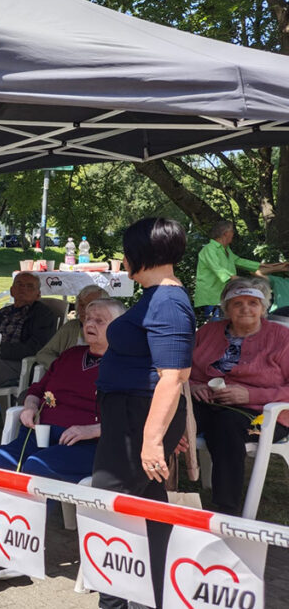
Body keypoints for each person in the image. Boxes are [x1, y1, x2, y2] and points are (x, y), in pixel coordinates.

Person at [0, 298, 126, 579]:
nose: (90, 324)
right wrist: (31, 405)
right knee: (0, 459)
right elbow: (37, 387)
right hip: (43, 432)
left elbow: (134, 417)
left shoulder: (125, 366)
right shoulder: (71, 355)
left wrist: (92, 430)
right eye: (88, 319)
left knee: (37, 466)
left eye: (100, 320)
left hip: (90, 443)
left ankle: (19, 555)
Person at [92, 217, 195, 609]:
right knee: (147, 509)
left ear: (139, 253)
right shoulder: (157, 296)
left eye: (126, 250)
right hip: (132, 415)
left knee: (111, 507)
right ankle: (150, 595)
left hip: (138, 419)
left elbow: (174, 376)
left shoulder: (168, 301)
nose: (123, 258)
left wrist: (153, 439)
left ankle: (117, 601)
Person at [189, 276, 289, 515]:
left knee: (227, 426)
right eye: (237, 303)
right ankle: (155, 492)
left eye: (253, 303)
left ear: (263, 308)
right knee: (172, 417)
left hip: (266, 418)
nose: (245, 308)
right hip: (210, 403)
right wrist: (193, 386)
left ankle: (227, 509)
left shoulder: (281, 338)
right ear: (226, 308)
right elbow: (183, 370)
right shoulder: (208, 332)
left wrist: (251, 395)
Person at [194, 220, 284, 321]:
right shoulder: (209, 249)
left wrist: (275, 266)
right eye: (232, 231)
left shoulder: (225, 249)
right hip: (213, 298)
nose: (233, 233)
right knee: (217, 330)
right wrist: (248, 283)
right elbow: (220, 271)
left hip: (226, 296)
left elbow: (240, 261)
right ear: (226, 233)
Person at [0, 272, 57, 386]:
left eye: (29, 286)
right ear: (11, 290)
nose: (23, 289)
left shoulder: (43, 315)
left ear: (38, 295)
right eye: (19, 284)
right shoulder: (3, 312)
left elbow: (37, 347)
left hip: (19, 363)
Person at [34, 285, 105, 369]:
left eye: (91, 305)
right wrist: (63, 366)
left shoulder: (112, 332)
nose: (84, 309)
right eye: (81, 304)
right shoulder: (71, 327)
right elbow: (43, 354)